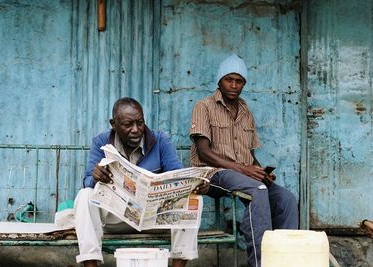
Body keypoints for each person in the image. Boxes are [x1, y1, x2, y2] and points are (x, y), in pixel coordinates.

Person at [189, 54, 299, 267]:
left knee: (286, 199)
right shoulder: (204, 106)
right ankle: (259, 263)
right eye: (229, 79)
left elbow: (248, 154)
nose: (233, 85)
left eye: (239, 81)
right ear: (219, 81)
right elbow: (203, 152)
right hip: (212, 174)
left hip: (242, 175)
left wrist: (259, 170)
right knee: (256, 190)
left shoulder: (245, 111)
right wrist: (245, 170)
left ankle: (285, 260)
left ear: (244, 84)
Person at [74, 97, 208, 267]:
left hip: (155, 219)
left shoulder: (161, 141)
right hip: (118, 218)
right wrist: (95, 176)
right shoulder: (101, 142)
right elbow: (87, 182)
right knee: (84, 195)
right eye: (128, 124)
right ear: (113, 124)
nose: (136, 130)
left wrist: (195, 184)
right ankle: (90, 264)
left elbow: (177, 176)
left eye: (140, 123)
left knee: (194, 199)